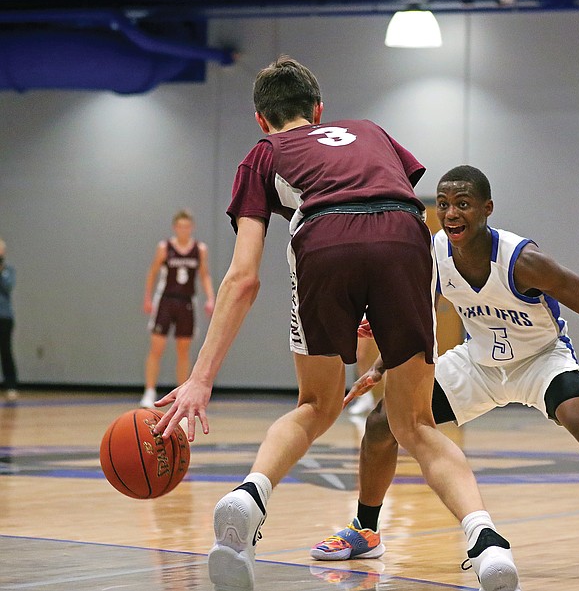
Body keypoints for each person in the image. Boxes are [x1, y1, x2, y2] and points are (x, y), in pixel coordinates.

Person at [152, 57, 521, 591]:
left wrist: (200, 378)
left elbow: (242, 277)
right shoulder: (371, 131)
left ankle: (249, 496)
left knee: (316, 405)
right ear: (320, 110)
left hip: (323, 239)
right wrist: (377, 293)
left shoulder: (263, 154)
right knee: (416, 424)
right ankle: (487, 545)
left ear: (261, 119)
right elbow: (388, 202)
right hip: (407, 234)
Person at [311, 165, 579, 579]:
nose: (452, 213)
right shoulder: (434, 252)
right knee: (384, 422)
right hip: (478, 361)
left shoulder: (523, 261)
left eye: (463, 204)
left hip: (540, 359)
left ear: (487, 208)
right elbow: (416, 314)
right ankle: (366, 530)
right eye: (443, 205)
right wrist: (383, 364)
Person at [140, 209, 215, 408]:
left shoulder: (200, 249)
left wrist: (210, 298)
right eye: (180, 226)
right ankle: (149, 391)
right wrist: (147, 298)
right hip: (165, 300)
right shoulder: (165, 247)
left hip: (187, 302)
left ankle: (182, 392)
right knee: (157, 347)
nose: (184, 229)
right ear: (175, 228)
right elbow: (153, 272)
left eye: (187, 226)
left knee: (184, 349)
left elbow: (204, 274)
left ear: (192, 228)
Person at [0, 238, 18, 402]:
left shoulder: (9, 270)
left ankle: (11, 385)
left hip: (4, 316)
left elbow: (7, 286)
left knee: (5, 350)